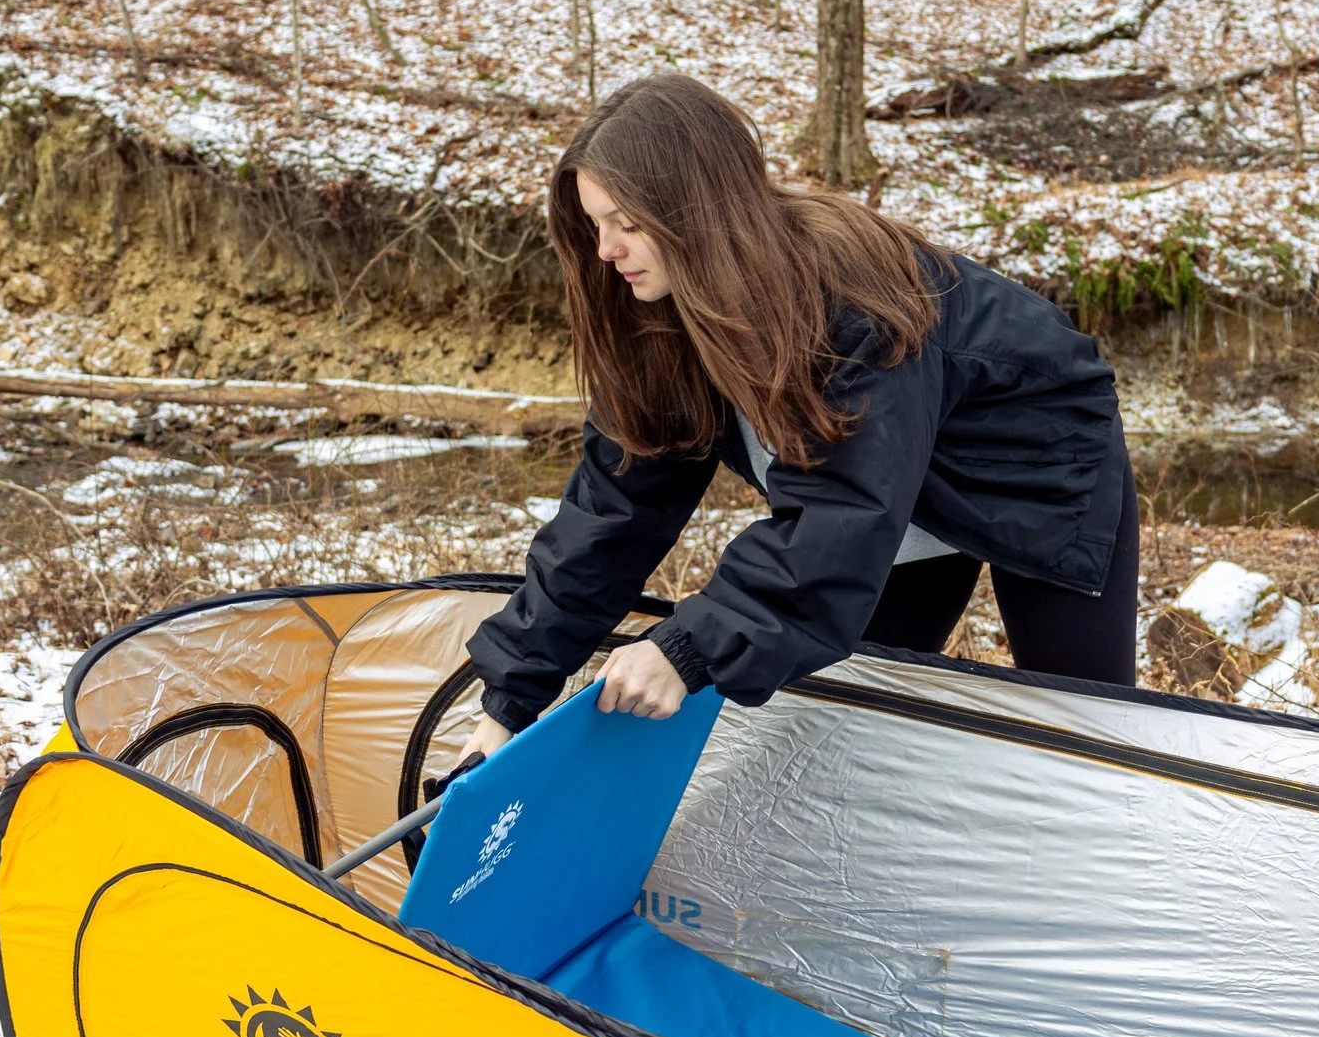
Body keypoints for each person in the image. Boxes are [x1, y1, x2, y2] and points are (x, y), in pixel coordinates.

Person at [457, 73, 1137, 765]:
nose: (606, 250)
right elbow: (611, 512)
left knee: (1085, 735)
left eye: (628, 225)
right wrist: (509, 699)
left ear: (700, 214)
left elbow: (839, 514)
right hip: (882, 497)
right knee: (857, 725)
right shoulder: (656, 315)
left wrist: (684, 647)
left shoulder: (849, 307)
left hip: (1037, 462)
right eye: (595, 223)